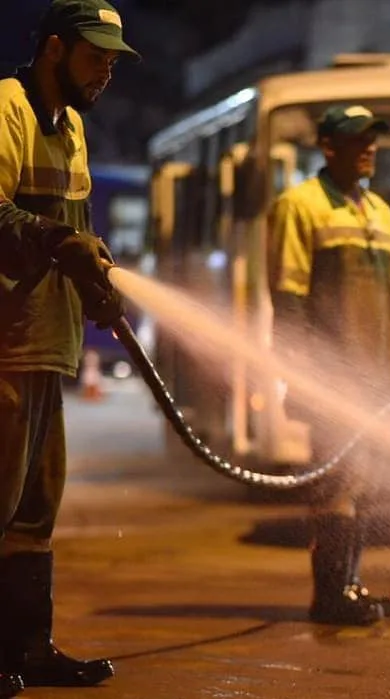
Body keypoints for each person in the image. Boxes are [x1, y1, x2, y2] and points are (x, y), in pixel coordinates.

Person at [0, 1, 137, 695]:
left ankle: (28, 650)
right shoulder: (7, 109)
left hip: (50, 340)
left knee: (35, 505)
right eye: (95, 55)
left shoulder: (73, 127)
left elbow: (76, 228)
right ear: (54, 49)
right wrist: (57, 241)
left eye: (113, 58)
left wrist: (98, 294)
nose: (106, 68)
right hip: (7, 341)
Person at [267, 105, 390, 626]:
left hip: (378, 380)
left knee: (367, 486)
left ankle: (349, 588)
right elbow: (288, 297)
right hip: (335, 379)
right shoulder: (300, 206)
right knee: (339, 487)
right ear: (329, 147)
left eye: (373, 140)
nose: (369, 149)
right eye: (358, 141)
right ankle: (331, 596)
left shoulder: (380, 212)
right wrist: (305, 374)